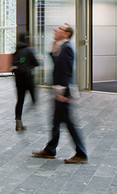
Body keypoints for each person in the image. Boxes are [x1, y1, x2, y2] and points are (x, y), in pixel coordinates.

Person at [32, 24, 87, 164]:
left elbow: (67, 71)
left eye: (60, 29)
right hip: (58, 90)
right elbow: (59, 65)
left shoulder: (68, 48)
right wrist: (53, 52)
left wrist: (63, 91)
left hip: (63, 92)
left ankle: (81, 154)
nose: (56, 30)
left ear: (67, 34)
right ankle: (50, 149)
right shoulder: (61, 46)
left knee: (69, 123)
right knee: (56, 121)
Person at [12, 32, 38, 131]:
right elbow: (36, 63)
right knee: (34, 98)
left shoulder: (16, 51)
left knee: (20, 100)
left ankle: (18, 120)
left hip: (18, 79)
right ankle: (31, 107)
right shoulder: (29, 50)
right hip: (28, 78)